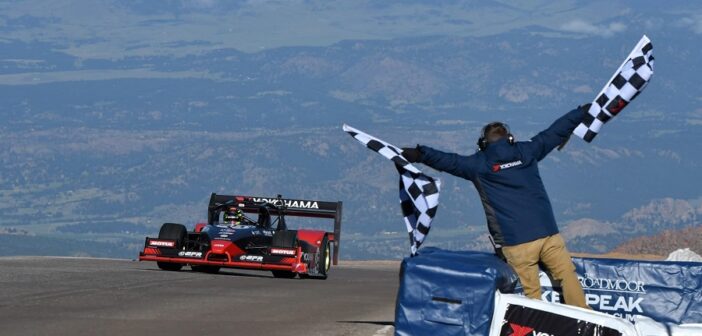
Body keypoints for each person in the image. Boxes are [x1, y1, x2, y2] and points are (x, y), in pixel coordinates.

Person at [401, 104, 590, 309]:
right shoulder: (527, 151)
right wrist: (581, 112)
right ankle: (586, 320)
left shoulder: (479, 165)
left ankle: (534, 329)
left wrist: (419, 154)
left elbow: (449, 161)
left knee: (531, 296)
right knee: (567, 277)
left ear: (483, 144)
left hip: (516, 243)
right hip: (548, 234)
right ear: (509, 138)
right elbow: (556, 131)